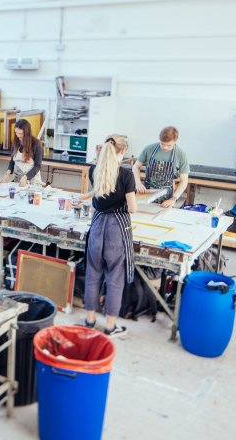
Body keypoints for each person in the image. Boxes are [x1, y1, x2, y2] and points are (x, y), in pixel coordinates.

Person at [83, 135, 137, 337]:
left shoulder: (93, 170)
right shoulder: (126, 175)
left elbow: (97, 194)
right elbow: (132, 208)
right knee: (115, 277)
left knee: (92, 273)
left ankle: (89, 320)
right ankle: (110, 326)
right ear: (122, 152)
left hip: (97, 226)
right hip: (116, 230)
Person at [132, 126, 190, 207]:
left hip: (166, 200)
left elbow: (184, 181)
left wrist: (173, 199)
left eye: (169, 145)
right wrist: (138, 183)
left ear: (175, 141)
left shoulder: (181, 154)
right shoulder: (149, 149)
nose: (165, 147)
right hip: (146, 194)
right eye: (162, 144)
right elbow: (136, 167)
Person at [1, 119, 43, 186]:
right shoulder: (15, 142)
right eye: (16, 133)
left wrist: (26, 177)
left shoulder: (36, 144)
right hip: (17, 180)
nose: (18, 136)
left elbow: (37, 166)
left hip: (32, 181)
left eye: (20, 133)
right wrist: (8, 172)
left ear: (27, 133)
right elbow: (12, 161)